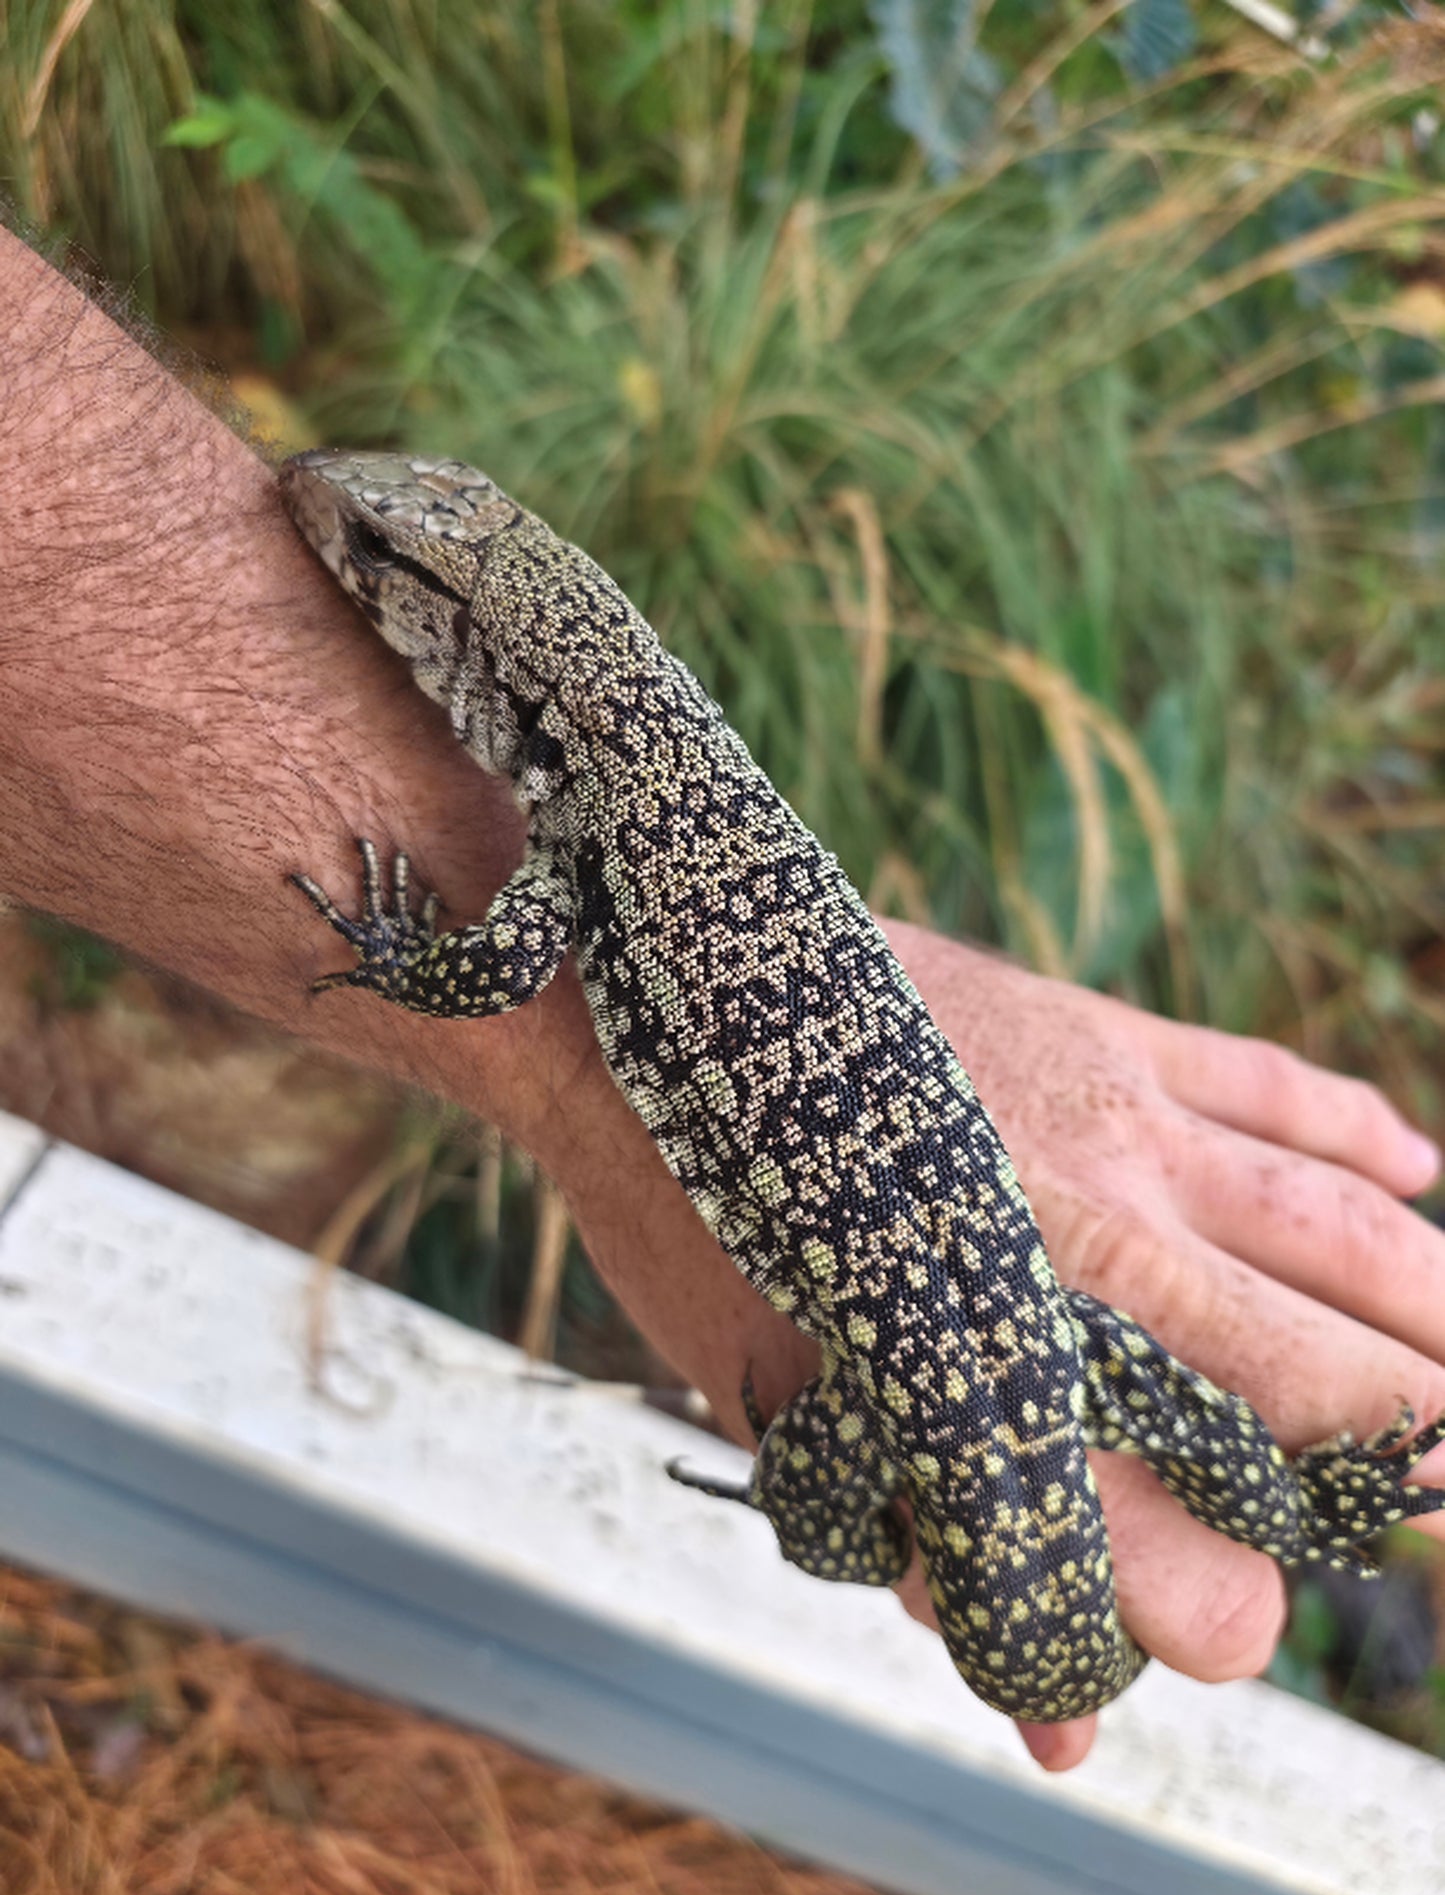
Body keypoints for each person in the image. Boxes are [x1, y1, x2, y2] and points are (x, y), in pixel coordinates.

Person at [2, 226, 1442, 1772]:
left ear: (470, 635)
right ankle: (1305, 1504)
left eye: (377, 555)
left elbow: (485, 977)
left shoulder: (585, 823)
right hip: (1030, 1327)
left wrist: (413, 958)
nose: (336, 513)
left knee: (841, 1488)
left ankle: (868, 1510)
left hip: (947, 1357)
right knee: (1019, 1440)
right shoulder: (660, 747)